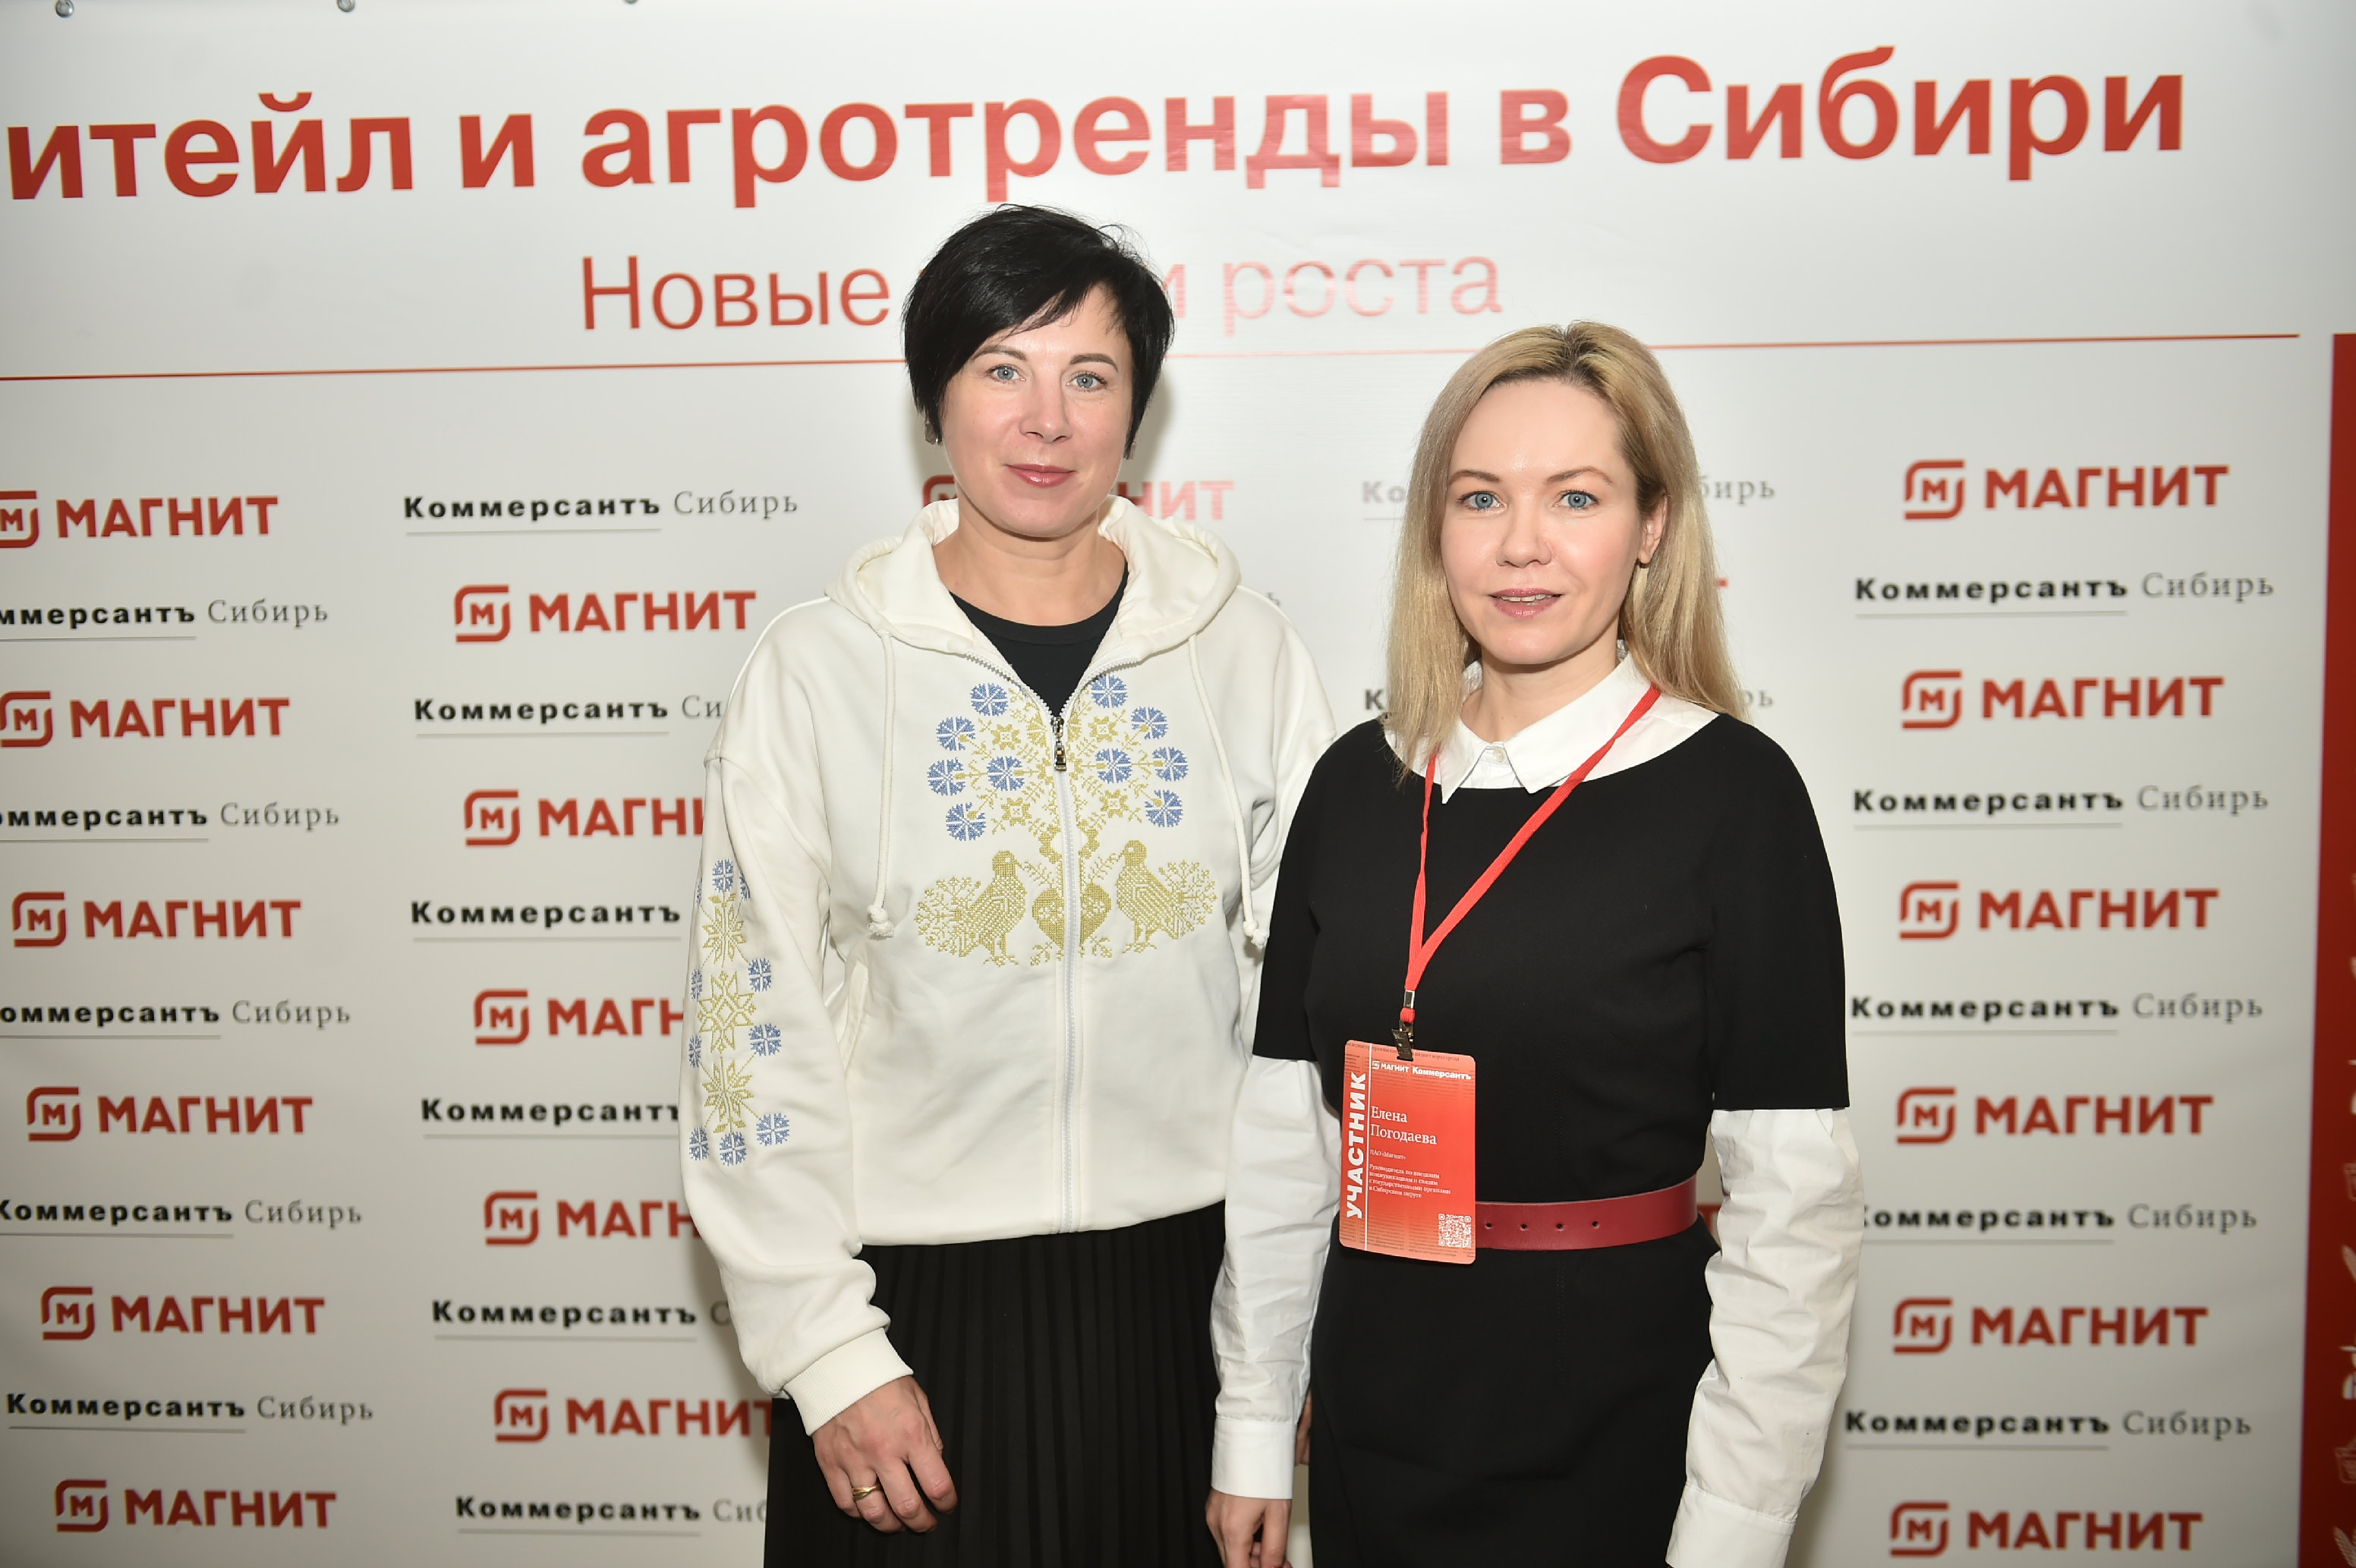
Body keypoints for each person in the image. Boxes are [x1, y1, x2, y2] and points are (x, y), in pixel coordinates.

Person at [679, 205, 1335, 1568]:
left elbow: (1307, 1026)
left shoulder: (1249, 655)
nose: (1047, 419)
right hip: (906, 1326)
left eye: (1090, 376)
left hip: (1187, 1311)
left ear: (1138, 410)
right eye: (1002, 369)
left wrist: (1281, 1345)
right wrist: (827, 1350)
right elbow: (751, 1036)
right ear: (935, 399)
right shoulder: (816, 669)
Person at [1205, 323, 1862, 1568]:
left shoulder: (1736, 795)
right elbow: (1288, 1141)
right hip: (1376, 1416)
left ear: (1652, 524)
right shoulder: (1353, 784)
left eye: (1576, 497)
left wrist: (1735, 1525)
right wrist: (1251, 1424)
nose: (1521, 544)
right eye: (1480, 498)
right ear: (1433, 527)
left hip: (1623, 1433)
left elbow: (1795, 1205)